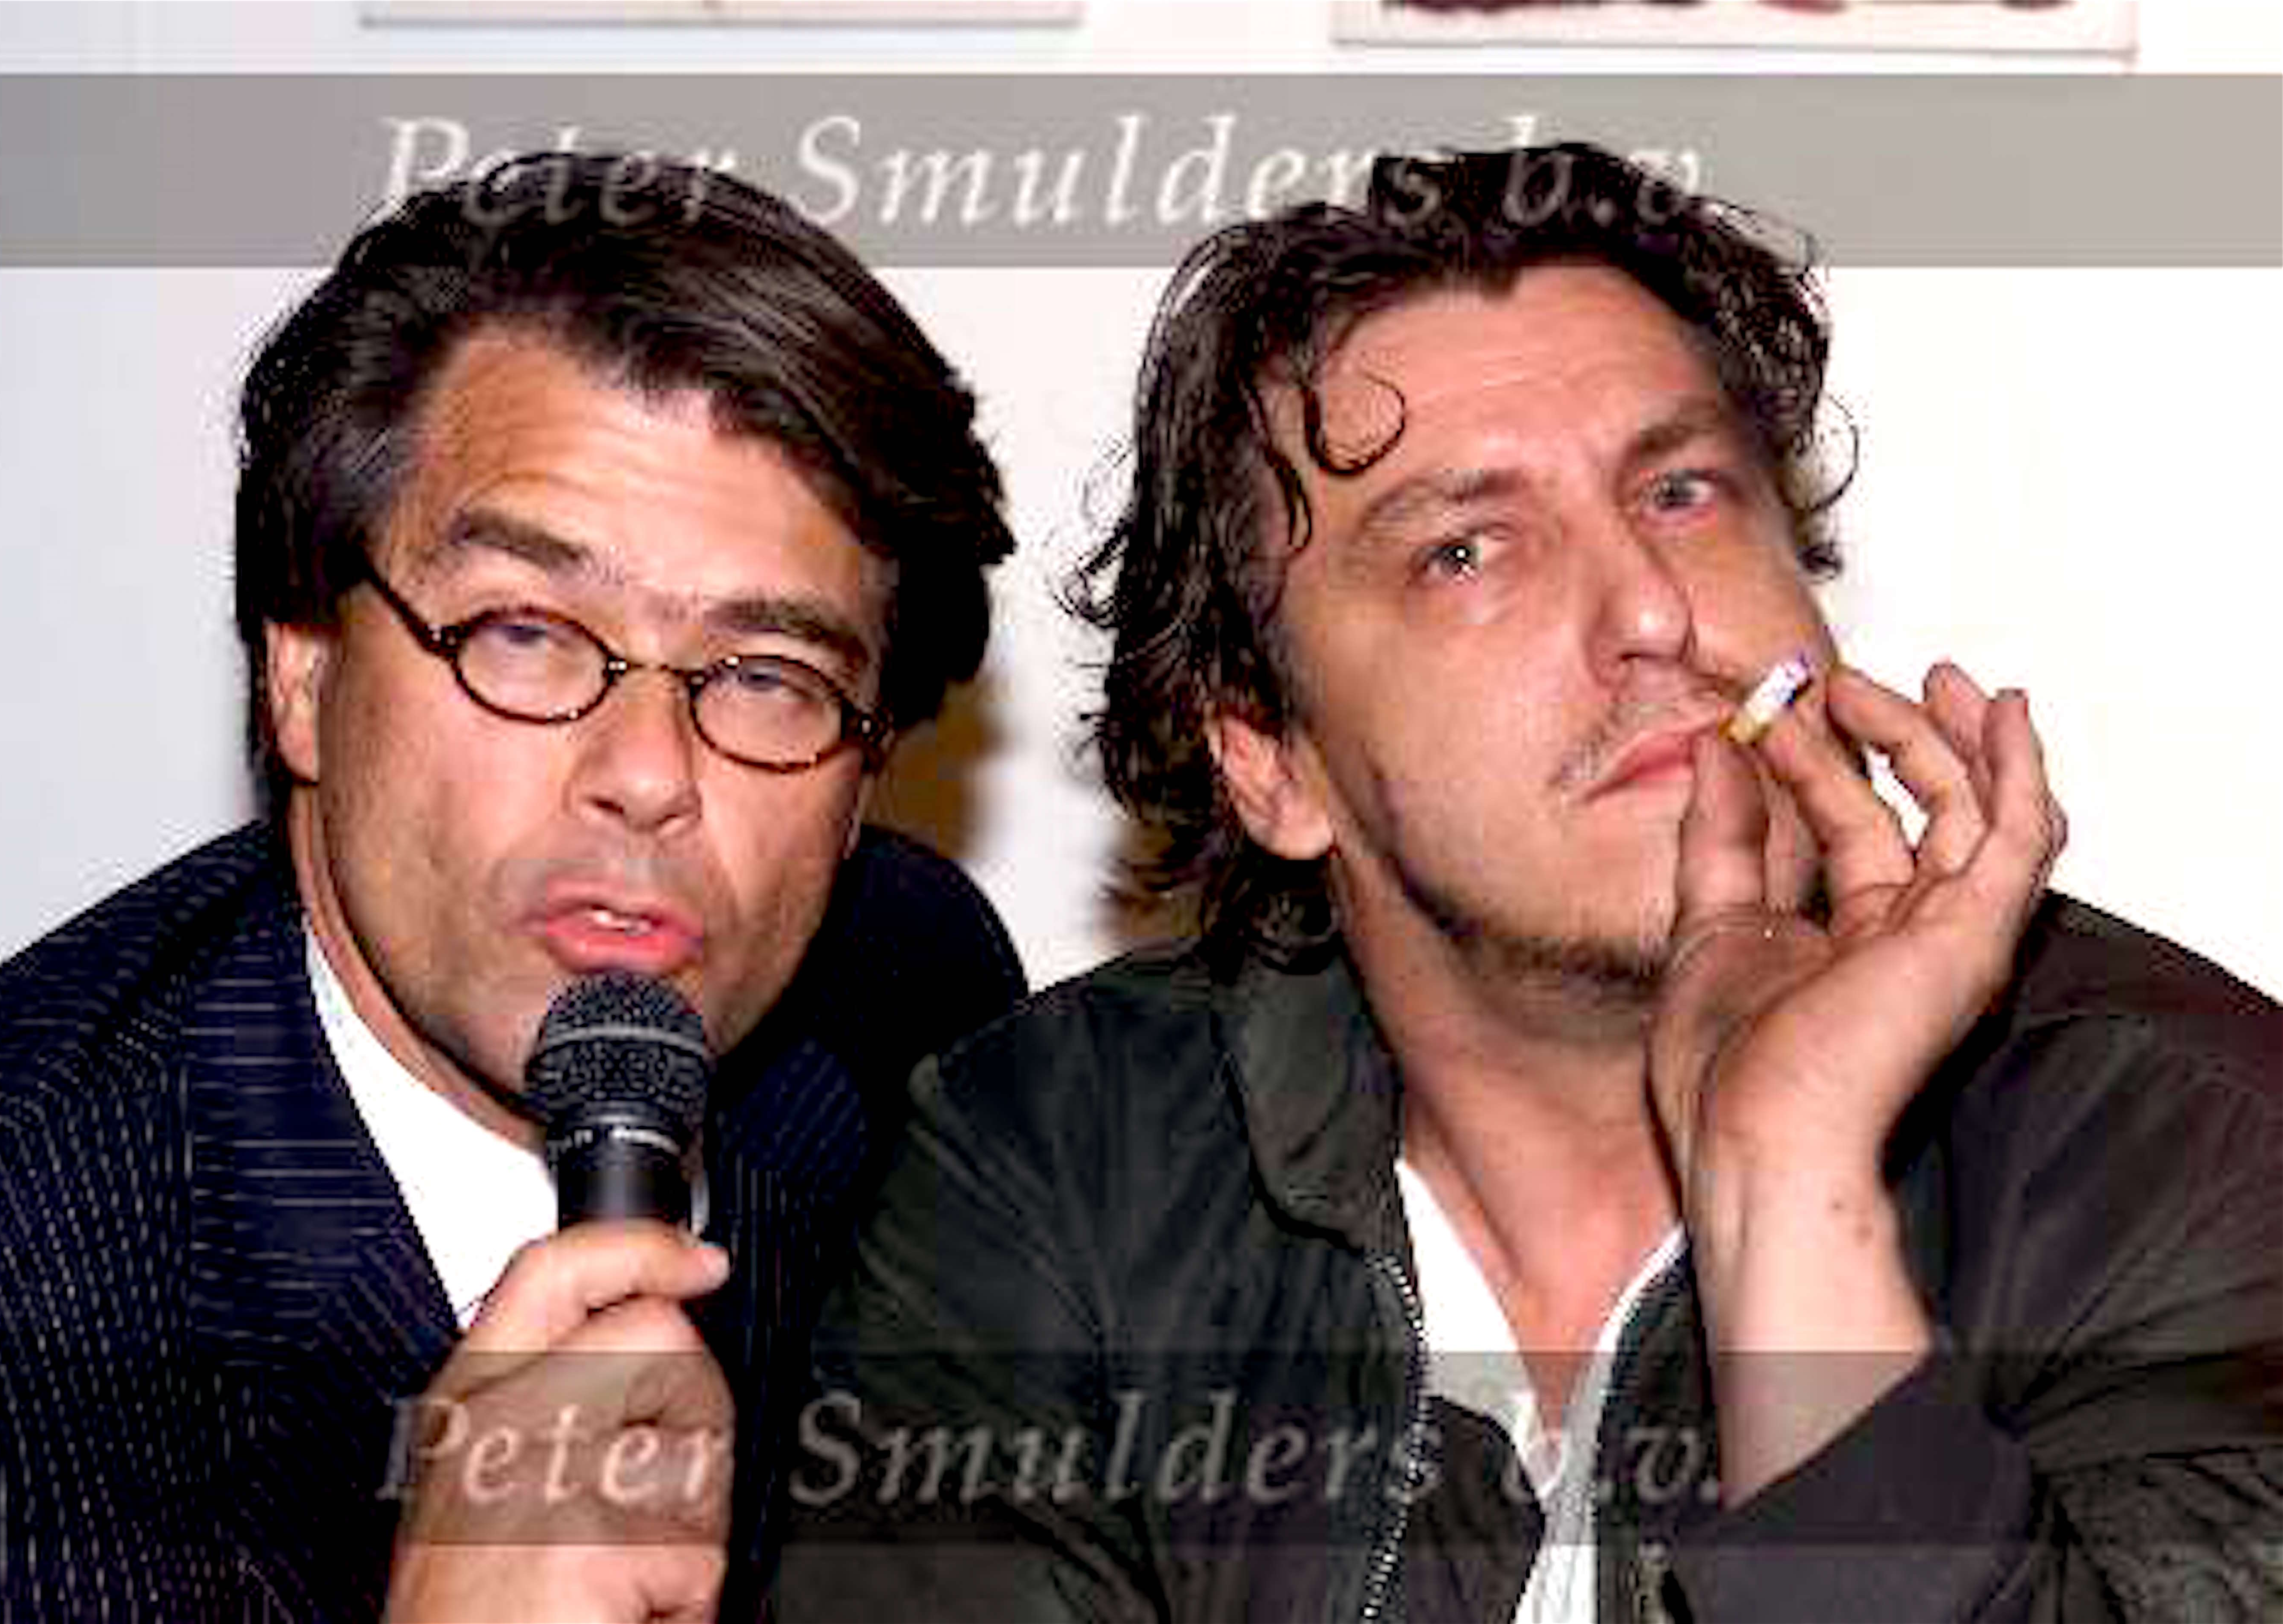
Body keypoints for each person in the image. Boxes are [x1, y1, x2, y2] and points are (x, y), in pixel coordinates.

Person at [780, 143, 2283, 1621]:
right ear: (1272, 760)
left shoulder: (2173, 1134)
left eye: (1683, 491)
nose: (1649, 610)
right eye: (1468, 551)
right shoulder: (1056, 1161)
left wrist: (1792, 1188)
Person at [0, 150, 1022, 1622]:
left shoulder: (903, 990)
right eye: (524, 632)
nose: (646, 772)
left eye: (766, 674)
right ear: (302, 671)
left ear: (864, 776)